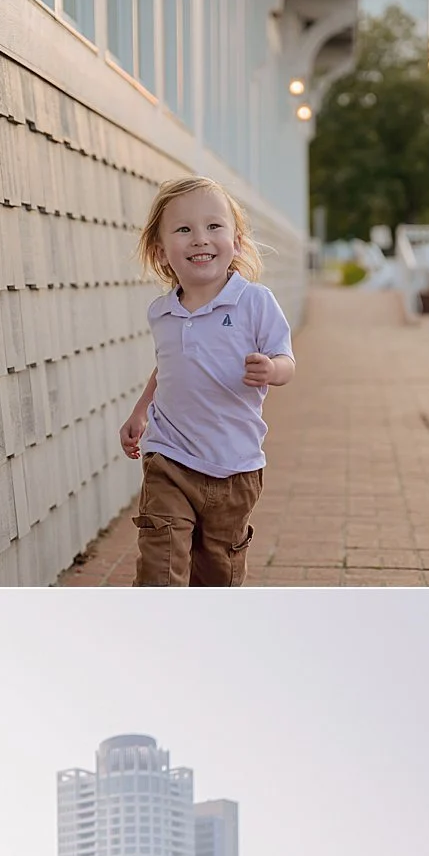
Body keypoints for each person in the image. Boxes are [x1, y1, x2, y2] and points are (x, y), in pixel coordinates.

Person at [121, 176, 294, 587]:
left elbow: (286, 359)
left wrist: (272, 370)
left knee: (217, 573)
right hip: (170, 457)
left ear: (235, 241)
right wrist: (141, 409)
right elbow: (168, 366)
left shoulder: (255, 302)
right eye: (184, 230)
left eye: (214, 227)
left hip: (234, 468)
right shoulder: (161, 313)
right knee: (160, 562)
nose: (200, 239)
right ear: (162, 253)